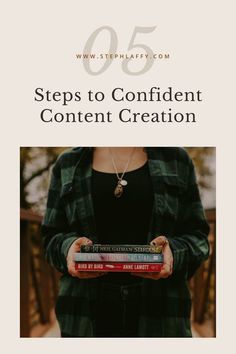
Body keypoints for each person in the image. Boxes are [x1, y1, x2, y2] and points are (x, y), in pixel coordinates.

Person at [42, 147, 210, 337]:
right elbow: (50, 238)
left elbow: (199, 237)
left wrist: (173, 254)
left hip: (162, 313)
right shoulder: (68, 163)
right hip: (83, 315)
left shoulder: (177, 160)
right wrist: (68, 249)